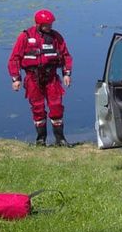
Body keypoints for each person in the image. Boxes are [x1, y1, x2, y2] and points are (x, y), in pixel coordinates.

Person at [7, 9, 73, 147]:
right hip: (33, 78)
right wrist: (16, 79)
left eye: (50, 24)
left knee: (56, 107)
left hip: (51, 78)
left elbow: (66, 56)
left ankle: (60, 139)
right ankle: (41, 139)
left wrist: (66, 74)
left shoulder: (56, 37)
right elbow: (14, 59)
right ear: (38, 24)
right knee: (37, 108)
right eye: (46, 24)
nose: (49, 27)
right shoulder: (25, 37)